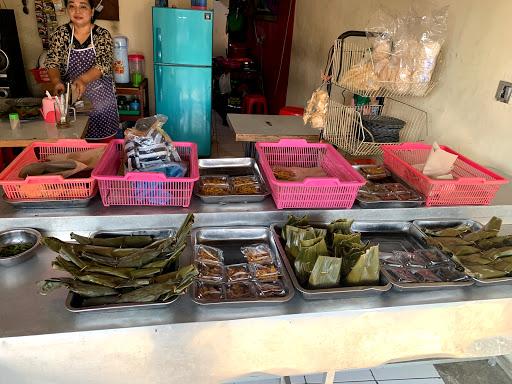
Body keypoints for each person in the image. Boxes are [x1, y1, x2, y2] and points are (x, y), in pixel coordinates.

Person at [45, 0, 119, 140]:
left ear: (92, 11)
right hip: (72, 105)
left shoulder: (102, 35)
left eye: (83, 6)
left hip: (102, 104)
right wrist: (56, 82)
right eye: (72, 6)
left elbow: (103, 64)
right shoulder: (61, 34)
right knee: (75, 151)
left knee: (104, 151)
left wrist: (82, 80)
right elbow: (52, 62)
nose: (77, 11)